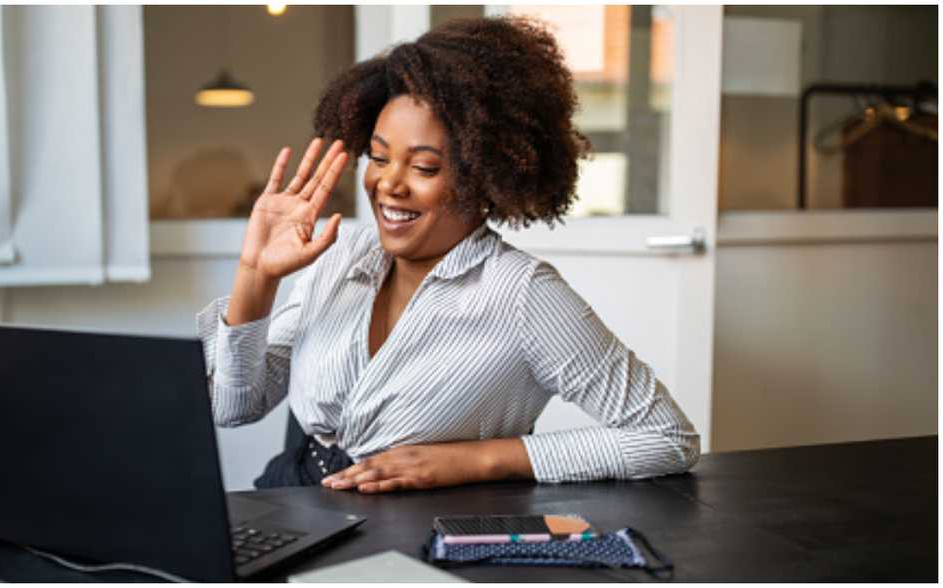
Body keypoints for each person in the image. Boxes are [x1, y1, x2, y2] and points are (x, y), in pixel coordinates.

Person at [195, 16, 699, 493]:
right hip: (297, 496)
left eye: (425, 168)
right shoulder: (338, 256)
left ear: (484, 176)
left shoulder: (522, 293)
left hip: (431, 525)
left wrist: (475, 460)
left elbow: (666, 438)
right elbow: (234, 407)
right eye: (379, 156)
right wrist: (255, 276)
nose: (389, 185)